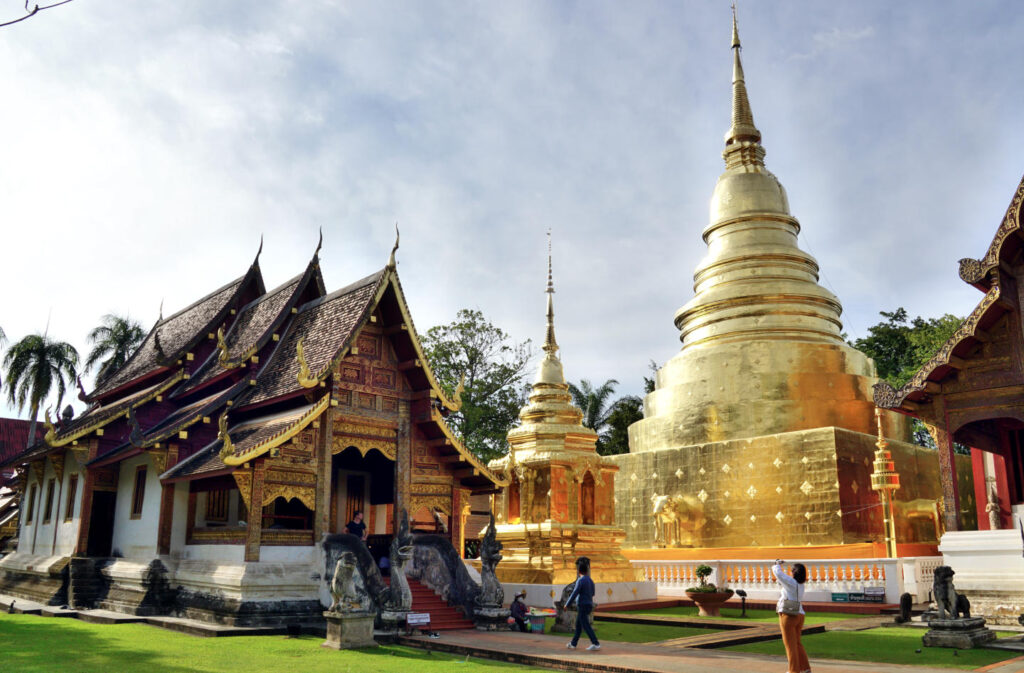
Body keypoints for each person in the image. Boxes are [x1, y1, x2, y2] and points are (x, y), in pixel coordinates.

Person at [773, 559, 810, 673]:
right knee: (797, 644)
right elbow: (782, 579)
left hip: (788, 615)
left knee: (790, 646)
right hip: (799, 615)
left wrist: (777, 564)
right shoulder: (801, 585)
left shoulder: (792, 583)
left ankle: (793, 671)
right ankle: (805, 668)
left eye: (792, 571)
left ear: (794, 572)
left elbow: (778, 574)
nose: (790, 573)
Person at [564, 556, 600, 651]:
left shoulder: (580, 580)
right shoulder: (590, 581)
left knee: (585, 625)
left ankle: (595, 643)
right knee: (579, 625)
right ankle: (573, 643)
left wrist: (567, 604)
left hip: (582, 605)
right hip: (588, 604)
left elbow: (574, 593)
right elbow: (593, 593)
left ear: (579, 571)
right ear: (587, 571)